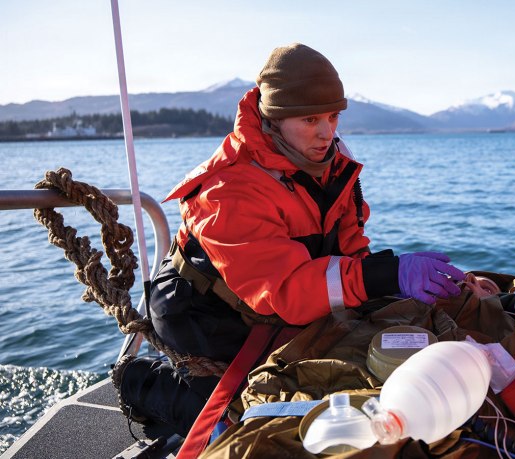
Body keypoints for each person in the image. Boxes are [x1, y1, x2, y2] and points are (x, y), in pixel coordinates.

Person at [113, 43, 465, 436]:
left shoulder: (331, 161)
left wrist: (389, 285)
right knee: (246, 420)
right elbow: (285, 290)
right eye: (311, 119)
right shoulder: (229, 189)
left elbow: (348, 244)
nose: (327, 132)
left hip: (278, 302)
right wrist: (387, 274)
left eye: (333, 117)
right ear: (274, 118)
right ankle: (140, 382)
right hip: (204, 312)